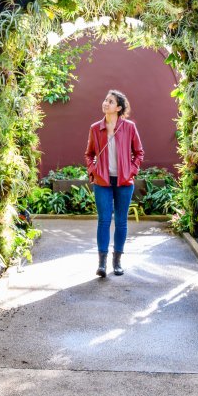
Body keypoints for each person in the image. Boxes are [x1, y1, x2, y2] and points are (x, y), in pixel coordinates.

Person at [84, 89, 144, 277]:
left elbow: (139, 153)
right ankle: (102, 263)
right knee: (103, 220)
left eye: (110, 101)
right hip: (102, 181)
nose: (105, 103)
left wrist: (131, 171)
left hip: (124, 182)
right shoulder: (95, 128)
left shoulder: (129, 127)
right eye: (105, 100)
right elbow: (89, 154)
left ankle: (117, 261)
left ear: (118, 107)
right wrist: (93, 171)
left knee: (121, 221)